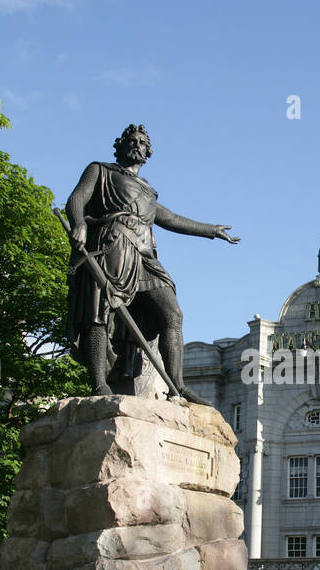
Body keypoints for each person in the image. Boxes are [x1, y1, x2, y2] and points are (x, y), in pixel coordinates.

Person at [65, 124, 239, 403]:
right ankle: (99, 384)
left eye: (142, 143)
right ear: (120, 146)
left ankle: (177, 385)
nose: (137, 145)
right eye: (131, 141)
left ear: (148, 152)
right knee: (100, 311)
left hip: (144, 256)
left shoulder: (148, 191)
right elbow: (76, 199)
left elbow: (169, 218)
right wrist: (78, 225)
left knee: (173, 315)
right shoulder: (100, 170)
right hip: (113, 244)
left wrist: (210, 230)